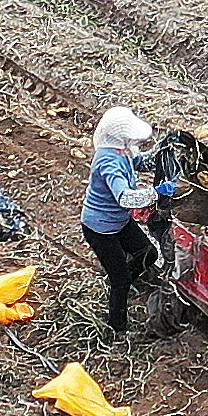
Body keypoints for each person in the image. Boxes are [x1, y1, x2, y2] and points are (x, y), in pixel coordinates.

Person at [83, 106, 163, 335]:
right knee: (120, 282)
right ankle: (117, 329)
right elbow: (126, 198)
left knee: (149, 254)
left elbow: (141, 163)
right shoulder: (108, 163)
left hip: (119, 221)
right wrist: (157, 192)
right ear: (119, 138)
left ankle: (123, 274)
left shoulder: (123, 152)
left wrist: (163, 152)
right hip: (100, 229)